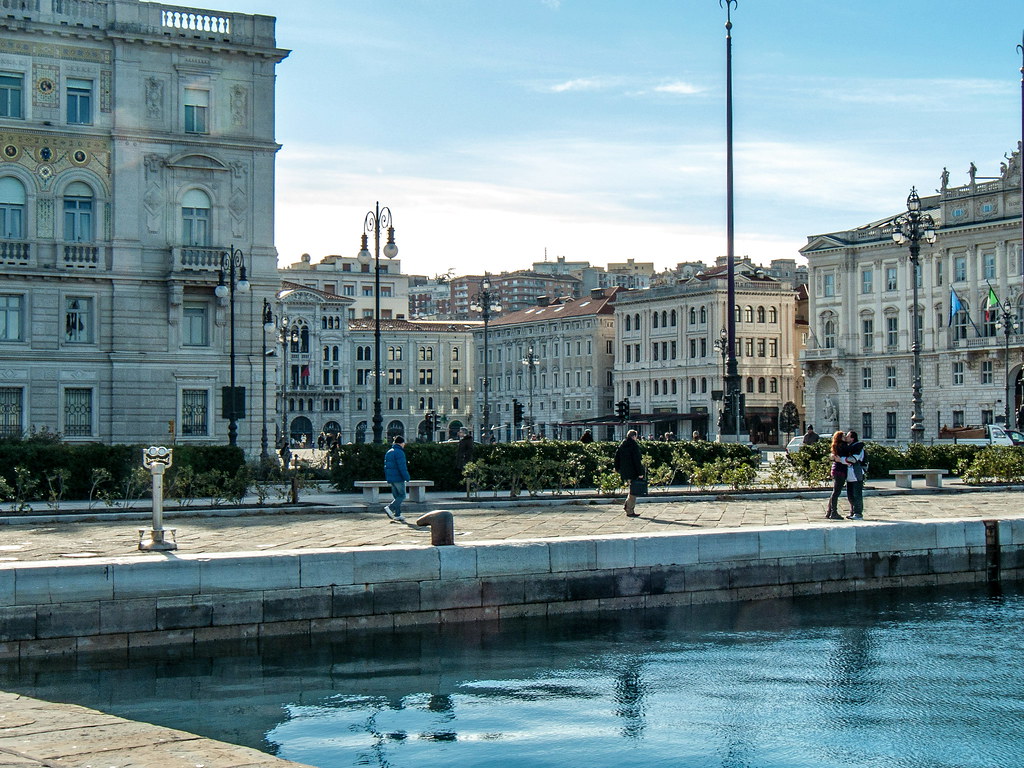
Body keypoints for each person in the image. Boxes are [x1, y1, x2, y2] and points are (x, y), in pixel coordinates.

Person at [614, 429, 645, 518]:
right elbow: (636, 460)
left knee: (631, 489)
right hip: (633, 471)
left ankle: (627, 505)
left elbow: (617, 457)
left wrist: (617, 468)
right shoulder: (634, 446)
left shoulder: (622, 445)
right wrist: (640, 473)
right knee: (634, 491)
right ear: (634, 436)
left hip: (625, 471)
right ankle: (629, 509)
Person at [383, 435, 410, 523]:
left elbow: (386, 466)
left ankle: (397, 514)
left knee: (396, 496)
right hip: (398, 477)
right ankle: (390, 508)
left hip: (391, 477)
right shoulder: (400, 452)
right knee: (402, 495)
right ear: (401, 443)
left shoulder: (389, 452)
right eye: (403, 443)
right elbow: (402, 466)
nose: (404, 445)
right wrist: (407, 477)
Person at [843, 430, 866, 520]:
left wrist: (842, 459)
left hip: (856, 474)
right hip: (849, 476)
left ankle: (858, 513)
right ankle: (852, 511)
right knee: (850, 495)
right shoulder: (849, 447)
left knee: (857, 495)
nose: (846, 438)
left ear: (852, 438)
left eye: (848, 436)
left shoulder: (858, 448)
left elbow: (853, 459)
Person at [825, 431, 848, 520]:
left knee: (835, 491)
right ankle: (833, 512)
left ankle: (829, 511)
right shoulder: (842, 446)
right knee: (836, 492)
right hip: (840, 470)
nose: (845, 437)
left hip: (835, 469)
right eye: (844, 436)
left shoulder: (836, 445)